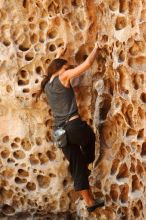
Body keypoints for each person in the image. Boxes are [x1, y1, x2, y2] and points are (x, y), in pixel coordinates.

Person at [36, 42, 104, 212]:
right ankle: (88, 161)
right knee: (90, 137)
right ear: (62, 68)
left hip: (59, 133)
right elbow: (87, 64)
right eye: (66, 65)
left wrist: (58, 54)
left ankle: (90, 202)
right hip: (73, 126)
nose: (69, 67)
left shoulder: (47, 84)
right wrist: (96, 47)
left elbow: (54, 67)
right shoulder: (63, 76)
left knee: (77, 165)